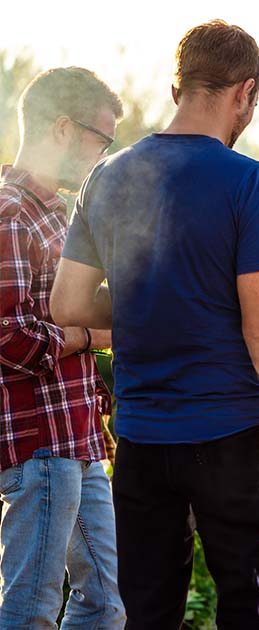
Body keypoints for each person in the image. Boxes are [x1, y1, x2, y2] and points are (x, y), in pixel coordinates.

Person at [50, 20, 259, 629]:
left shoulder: (107, 178)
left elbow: (69, 305)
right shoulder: (244, 180)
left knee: (147, 616)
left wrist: (151, 302)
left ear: (177, 90)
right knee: (254, 614)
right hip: (231, 448)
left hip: (140, 447)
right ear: (245, 93)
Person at [0, 67, 125, 629]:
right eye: (101, 139)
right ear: (61, 128)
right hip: (39, 448)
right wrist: (90, 338)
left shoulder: (56, 215)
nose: (103, 155)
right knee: (32, 611)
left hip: (77, 441)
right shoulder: (10, 213)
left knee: (105, 605)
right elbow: (7, 336)